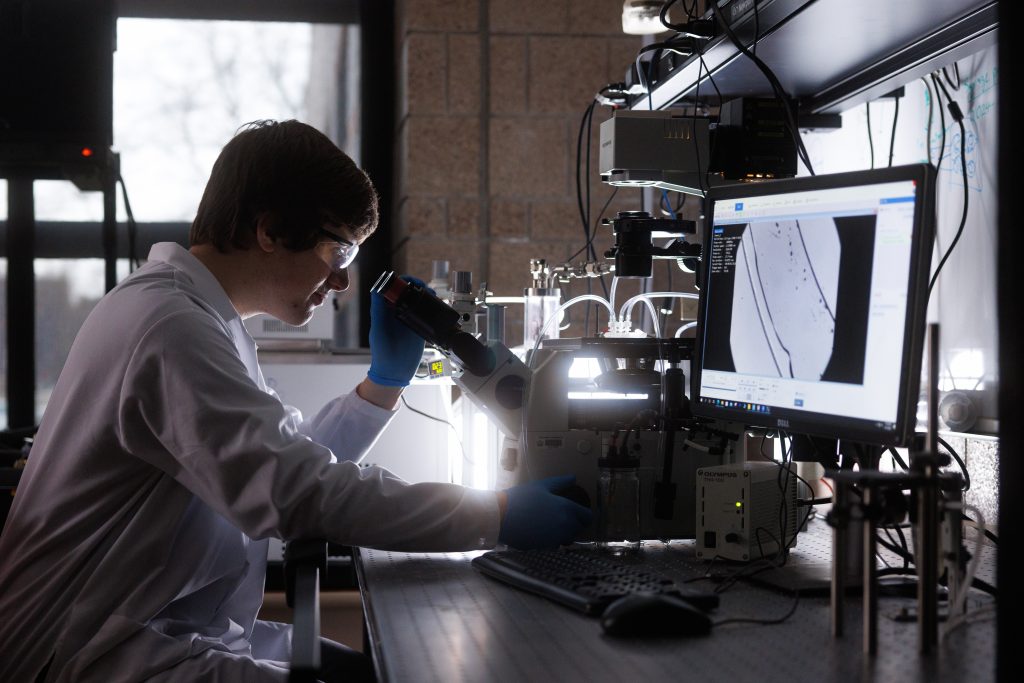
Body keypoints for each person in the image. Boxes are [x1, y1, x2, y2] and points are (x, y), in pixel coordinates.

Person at [0, 120, 591, 683]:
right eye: (341, 253)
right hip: (83, 653)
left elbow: (284, 459)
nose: (341, 282)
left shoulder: (204, 318)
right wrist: (494, 515)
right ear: (271, 229)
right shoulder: (169, 327)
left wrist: (383, 385)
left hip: (163, 626)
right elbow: (293, 491)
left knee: (377, 671)